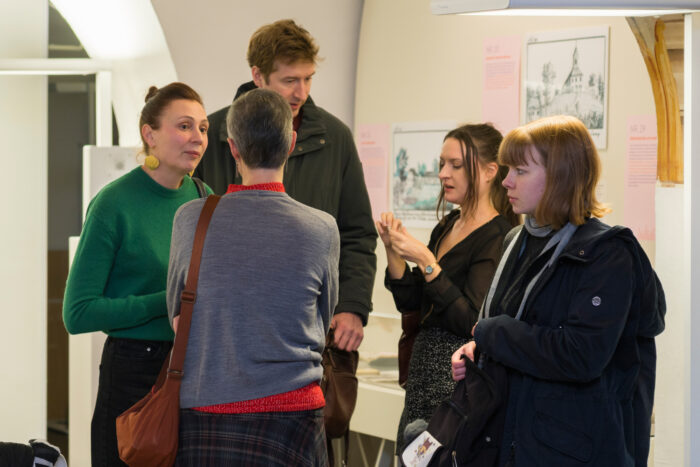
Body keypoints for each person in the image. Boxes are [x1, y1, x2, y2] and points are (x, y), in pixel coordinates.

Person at [451, 115, 665, 466]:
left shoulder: (609, 254)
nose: (506, 181)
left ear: (561, 176)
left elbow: (581, 355)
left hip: (572, 450)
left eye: (520, 171)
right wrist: (479, 349)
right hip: (510, 441)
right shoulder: (515, 240)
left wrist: (494, 334)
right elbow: (517, 329)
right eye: (508, 169)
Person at [167, 88, 339, 466]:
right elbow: (322, 318)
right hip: (294, 413)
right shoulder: (322, 228)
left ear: (232, 148)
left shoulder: (190, 219)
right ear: (291, 143)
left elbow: (177, 318)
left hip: (206, 406)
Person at [194, 19, 376, 352]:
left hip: (312, 328)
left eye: (308, 78)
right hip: (227, 326)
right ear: (258, 76)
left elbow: (357, 233)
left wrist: (352, 304)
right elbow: (193, 236)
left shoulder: (335, 138)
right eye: (289, 80)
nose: (301, 92)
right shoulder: (213, 135)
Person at [62, 82, 211, 466]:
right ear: (150, 134)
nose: (197, 138)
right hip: (132, 373)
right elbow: (78, 313)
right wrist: (167, 301)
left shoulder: (203, 199)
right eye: (184, 126)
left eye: (203, 128)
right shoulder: (113, 203)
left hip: (192, 371)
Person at [376, 124, 519, 451]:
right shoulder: (448, 224)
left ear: (489, 172)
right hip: (421, 377)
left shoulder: (497, 235)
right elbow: (412, 302)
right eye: (442, 164)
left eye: (456, 165)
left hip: (453, 379)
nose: (443, 174)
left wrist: (427, 260)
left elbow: (471, 320)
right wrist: (393, 250)